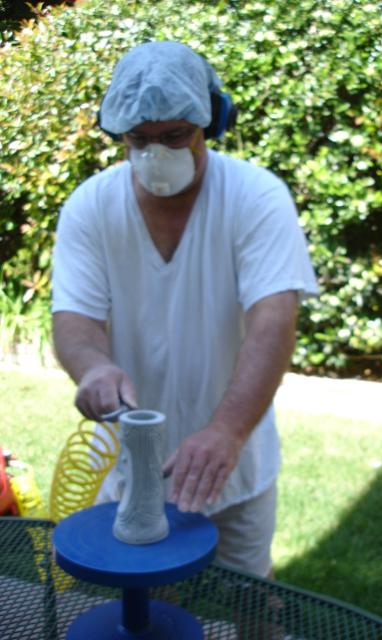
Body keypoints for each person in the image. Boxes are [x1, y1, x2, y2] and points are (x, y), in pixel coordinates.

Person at [52, 41, 317, 578]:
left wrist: (227, 431)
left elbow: (273, 320)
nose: (156, 153)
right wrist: (94, 367)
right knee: (142, 601)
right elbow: (74, 319)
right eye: (139, 139)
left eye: (174, 136)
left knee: (248, 598)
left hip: (234, 466)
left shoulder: (256, 197)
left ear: (210, 124)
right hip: (127, 465)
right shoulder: (90, 206)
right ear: (119, 135)